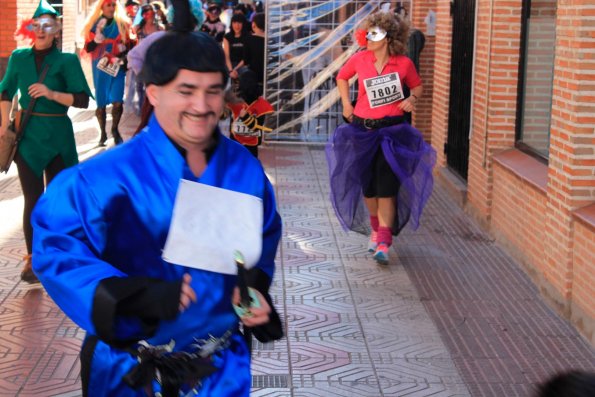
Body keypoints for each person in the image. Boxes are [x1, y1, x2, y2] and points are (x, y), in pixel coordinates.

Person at [30, 0, 282, 395]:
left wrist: (253, 292)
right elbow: (57, 249)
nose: (202, 106)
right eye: (186, 91)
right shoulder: (104, 179)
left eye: (213, 91)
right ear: (153, 92)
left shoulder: (244, 170)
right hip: (129, 372)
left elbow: (261, 241)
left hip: (220, 370)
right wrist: (133, 297)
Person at [326, 11, 436, 265]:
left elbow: (418, 86)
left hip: (393, 132)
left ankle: (384, 241)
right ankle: (376, 228)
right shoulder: (359, 59)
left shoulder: (404, 64)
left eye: (374, 34)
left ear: (388, 38)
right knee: (368, 187)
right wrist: (346, 104)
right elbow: (341, 77)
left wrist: (412, 99)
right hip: (363, 131)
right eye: (368, 33)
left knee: (387, 187)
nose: (368, 38)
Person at [0, 0, 92, 284]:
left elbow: (81, 99)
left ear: (56, 29)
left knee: (57, 201)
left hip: (59, 137)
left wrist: (51, 94)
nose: (41, 30)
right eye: (37, 25)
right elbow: (4, 92)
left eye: (48, 25)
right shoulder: (18, 58)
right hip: (27, 138)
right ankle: (33, 260)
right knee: (32, 199)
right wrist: (4, 126)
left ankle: (58, 253)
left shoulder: (67, 61)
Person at [82, 0, 133, 146]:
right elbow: (88, 48)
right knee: (101, 100)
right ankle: (103, 133)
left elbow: (129, 45)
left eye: (113, 5)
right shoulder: (94, 25)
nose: (111, 7)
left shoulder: (122, 24)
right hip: (100, 64)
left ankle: (115, 131)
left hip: (117, 64)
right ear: (102, 7)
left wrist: (124, 59)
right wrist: (96, 42)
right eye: (108, 5)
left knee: (118, 101)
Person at [227, 70, 273, 158]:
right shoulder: (261, 104)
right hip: (247, 143)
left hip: (240, 141)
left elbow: (256, 127)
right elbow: (258, 126)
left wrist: (245, 117)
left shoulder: (235, 101)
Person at [244, 12, 265, 94]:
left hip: (254, 76)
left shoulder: (248, 39)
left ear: (253, 25)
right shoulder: (271, 40)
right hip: (267, 75)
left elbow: (246, 60)